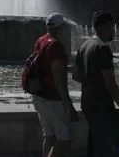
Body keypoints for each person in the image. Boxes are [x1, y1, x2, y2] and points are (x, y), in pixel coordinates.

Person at [73, 12, 119, 157]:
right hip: (101, 105)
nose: (114, 30)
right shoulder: (102, 48)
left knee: (96, 145)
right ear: (106, 26)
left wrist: (91, 81)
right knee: (108, 148)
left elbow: (76, 76)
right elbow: (110, 85)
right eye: (112, 26)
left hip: (87, 103)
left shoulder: (84, 46)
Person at [31, 13, 78, 157]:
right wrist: (67, 102)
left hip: (39, 95)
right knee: (64, 139)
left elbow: (47, 66)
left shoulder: (41, 40)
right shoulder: (56, 46)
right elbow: (58, 78)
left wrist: (64, 68)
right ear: (61, 28)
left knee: (49, 136)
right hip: (53, 97)